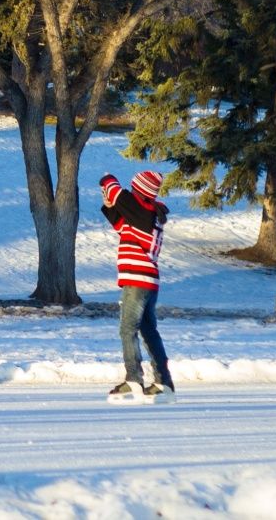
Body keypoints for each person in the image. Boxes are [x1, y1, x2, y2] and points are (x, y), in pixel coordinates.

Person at [100, 170, 173, 401]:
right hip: (147, 282)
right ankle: (164, 383)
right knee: (148, 331)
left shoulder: (145, 213)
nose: (130, 194)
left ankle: (133, 379)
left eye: (133, 190)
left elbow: (117, 193)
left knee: (127, 330)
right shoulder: (145, 216)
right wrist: (109, 205)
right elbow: (120, 223)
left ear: (139, 192)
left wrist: (107, 179)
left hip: (137, 281)